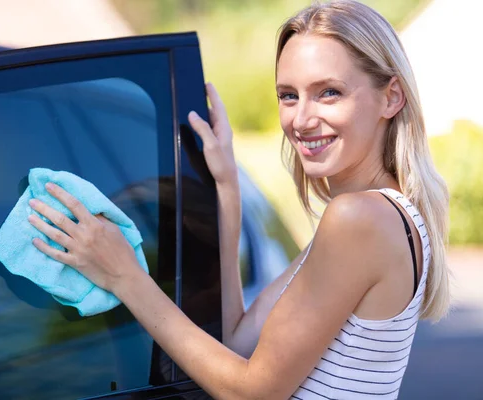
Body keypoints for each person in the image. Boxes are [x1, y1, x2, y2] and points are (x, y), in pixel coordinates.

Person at [26, 0, 450, 398]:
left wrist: (126, 277)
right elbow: (236, 343)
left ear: (391, 97)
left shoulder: (360, 218)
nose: (301, 119)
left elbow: (251, 392)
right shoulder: (377, 216)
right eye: (289, 95)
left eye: (329, 92)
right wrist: (228, 190)